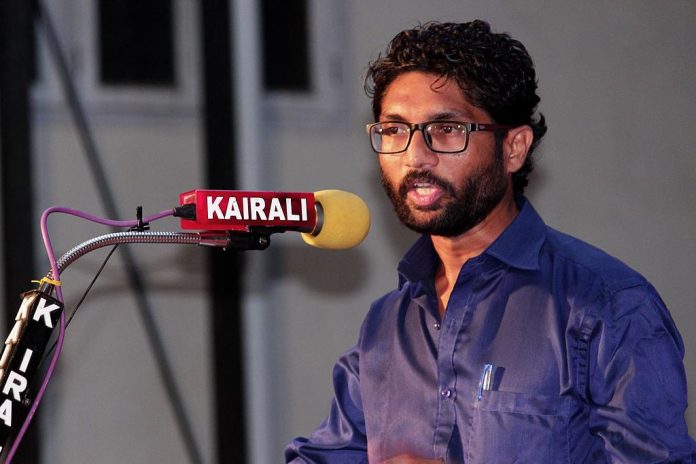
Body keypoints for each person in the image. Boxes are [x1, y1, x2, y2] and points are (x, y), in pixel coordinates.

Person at [285, 20, 696, 463]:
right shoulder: (388, 324)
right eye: (394, 130)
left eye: (447, 129)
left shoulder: (607, 305)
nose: (415, 156)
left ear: (514, 148)